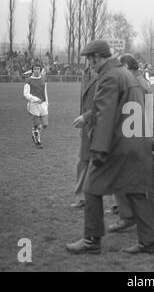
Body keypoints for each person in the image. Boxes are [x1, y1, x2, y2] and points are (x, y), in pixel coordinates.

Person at [66, 40, 154, 255]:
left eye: (89, 60)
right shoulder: (125, 74)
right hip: (135, 141)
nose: (89, 65)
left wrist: (98, 149)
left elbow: (105, 115)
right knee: (136, 191)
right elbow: (112, 107)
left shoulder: (109, 77)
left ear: (96, 57)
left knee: (91, 188)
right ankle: (147, 242)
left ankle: (91, 240)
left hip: (116, 145)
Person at [106, 54, 154, 233]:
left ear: (128, 68)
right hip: (149, 134)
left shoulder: (135, 84)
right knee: (149, 179)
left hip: (139, 136)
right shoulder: (142, 82)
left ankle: (128, 216)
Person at [70, 65, 95, 209]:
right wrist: (82, 118)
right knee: (83, 161)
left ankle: (120, 205)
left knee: (111, 162)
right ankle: (82, 198)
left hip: (102, 123)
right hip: (86, 125)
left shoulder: (108, 73)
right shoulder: (85, 73)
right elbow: (83, 100)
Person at [23, 62, 48, 149]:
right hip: (33, 105)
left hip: (43, 104)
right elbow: (26, 94)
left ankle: (34, 131)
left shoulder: (43, 79)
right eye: (35, 69)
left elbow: (45, 92)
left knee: (45, 124)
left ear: (40, 70)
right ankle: (38, 141)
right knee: (37, 124)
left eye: (38, 69)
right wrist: (36, 99)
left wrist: (47, 103)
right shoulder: (28, 80)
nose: (36, 70)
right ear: (32, 70)